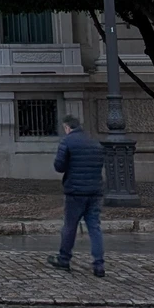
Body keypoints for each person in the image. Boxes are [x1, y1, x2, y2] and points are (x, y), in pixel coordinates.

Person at [47, 114, 106, 277]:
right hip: (95, 191)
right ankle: (99, 264)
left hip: (75, 191)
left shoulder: (67, 141)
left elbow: (59, 166)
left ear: (67, 127)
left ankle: (64, 259)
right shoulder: (94, 142)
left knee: (70, 226)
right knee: (94, 227)